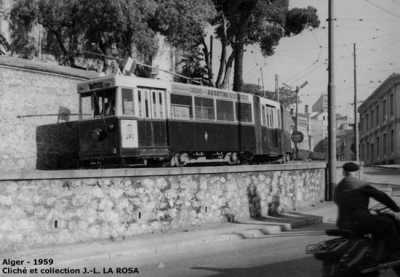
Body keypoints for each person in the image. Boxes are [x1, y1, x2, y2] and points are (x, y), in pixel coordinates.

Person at [334, 162, 400, 260]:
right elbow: (381, 196)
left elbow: (337, 201)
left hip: (342, 223)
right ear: (357, 172)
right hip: (359, 222)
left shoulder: (338, 187)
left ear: (343, 172)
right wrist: (396, 209)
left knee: (378, 223)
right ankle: (396, 252)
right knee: (388, 223)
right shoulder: (361, 185)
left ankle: (376, 249)